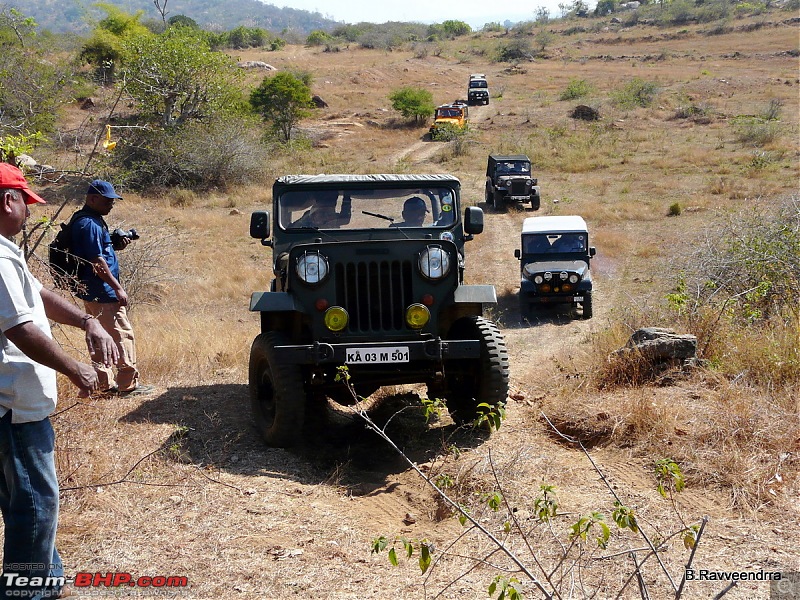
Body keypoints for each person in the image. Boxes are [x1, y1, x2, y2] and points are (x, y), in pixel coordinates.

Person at [0, 163, 118, 600]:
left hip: (12, 401)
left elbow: (38, 295)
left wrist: (88, 321)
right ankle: (27, 593)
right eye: (26, 203)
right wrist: (76, 368)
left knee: (25, 503)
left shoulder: (4, 253)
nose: (28, 212)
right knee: (34, 505)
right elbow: (21, 329)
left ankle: (46, 584)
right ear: (8, 201)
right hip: (13, 404)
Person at [70, 180, 151, 395]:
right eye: (107, 201)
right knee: (121, 334)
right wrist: (118, 288)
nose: (110, 205)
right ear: (92, 199)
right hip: (102, 291)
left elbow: (93, 253)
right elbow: (97, 263)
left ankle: (103, 385)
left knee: (100, 336)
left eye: (112, 201)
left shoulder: (88, 220)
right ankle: (127, 385)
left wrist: (114, 245)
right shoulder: (89, 224)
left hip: (92, 290)